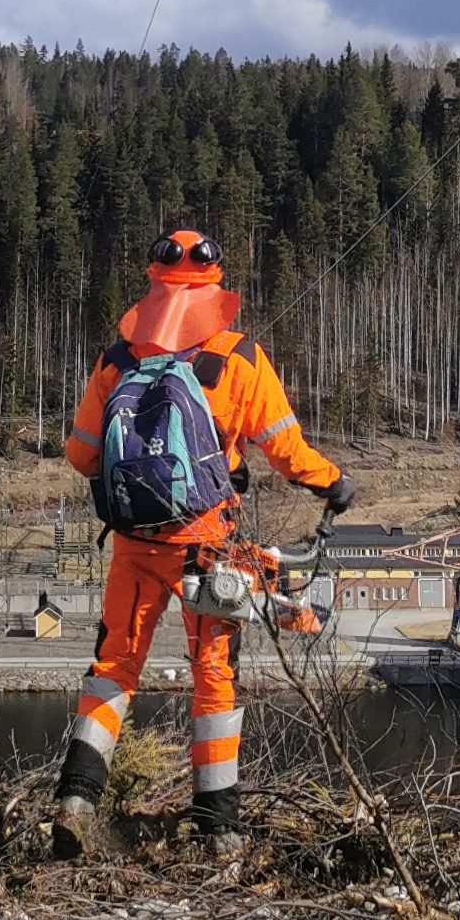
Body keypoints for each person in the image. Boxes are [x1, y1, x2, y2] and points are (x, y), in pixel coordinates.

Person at [51, 229, 350, 850]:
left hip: (135, 544)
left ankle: (76, 802)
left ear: (153, 284)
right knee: (214, 677)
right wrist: (335, 483)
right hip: (207, 547)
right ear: (216, 285)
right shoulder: (237, 357)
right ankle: (219, 828)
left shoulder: (118, 358)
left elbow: (81, 457)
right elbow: (289, 454)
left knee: (113, 669)